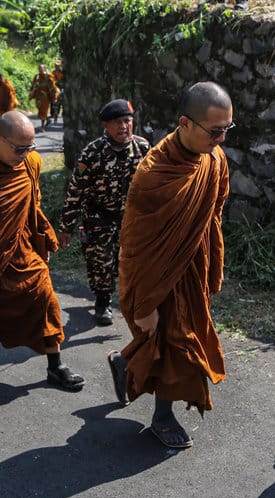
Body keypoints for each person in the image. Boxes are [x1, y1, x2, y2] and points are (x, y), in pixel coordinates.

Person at [108, 81, 233, 449]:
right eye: (215, 131)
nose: (222, 138)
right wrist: (144, 304)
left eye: (228, 129)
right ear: (185, 123)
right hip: (158, 278)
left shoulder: (214, 158)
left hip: (192, 267)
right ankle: (163, 417)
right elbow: (135, 248)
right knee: (176, 345)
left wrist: (211, 264)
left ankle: (125, 365)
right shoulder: (154, 176)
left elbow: (215, 213)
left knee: (177, 342)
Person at [0, 110, 85, 392]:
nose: (25, 154)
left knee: (46, 299)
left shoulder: (29, 163)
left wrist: (43, 238)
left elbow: (31, 206)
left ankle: (55, 365)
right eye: (18, 148)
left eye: (30, 147)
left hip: (22, 251)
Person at [58, 99, 150, 326]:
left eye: (127, 121)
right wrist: (66, 227)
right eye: (117, 123)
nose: (124, 127)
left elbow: (153, 184)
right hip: (99, 216)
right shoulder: (92, 152)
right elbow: (75, 191)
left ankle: (136, 300)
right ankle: (103, 301)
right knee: (101, 260)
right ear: (105, 126)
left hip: (131, 217)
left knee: (134, 260)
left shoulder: (143, 148)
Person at [27, 64, 59, 131]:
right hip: (38, 97)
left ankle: (42, 127)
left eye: (41, 68)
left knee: (44, 111)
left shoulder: (48, 76)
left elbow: (53, 87)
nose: (40, 70)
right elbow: (33, 85)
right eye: (39, 68)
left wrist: (54, 97)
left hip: (45, 97)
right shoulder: (37, 76)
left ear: (44, 69)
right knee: (40, 111)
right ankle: (48, 119)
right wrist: (31, 93)